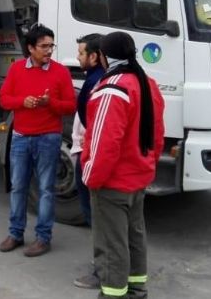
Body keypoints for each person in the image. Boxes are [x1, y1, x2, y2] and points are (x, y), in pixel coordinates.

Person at [76, 31, 165, 299]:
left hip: (112, 183)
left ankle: (113, 293)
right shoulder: (147, 83)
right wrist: (147, 165)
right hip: (137, 179)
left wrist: (91, 177)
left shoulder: (111, 89)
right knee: (134, 236)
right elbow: (156, 135)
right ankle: (137, 288)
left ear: (104, 56)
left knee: (111, 244)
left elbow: (104, 142)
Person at [0, 24, 76, 257]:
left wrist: (48, 103)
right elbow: (4, 99)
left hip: (49, 138)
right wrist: (24, 102)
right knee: (18, 186)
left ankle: (43, 238)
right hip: (21, 137)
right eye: (44, 46)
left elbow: (71, 106)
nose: (49, 50)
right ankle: (15, 234)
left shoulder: (61, 72)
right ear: (31, 48)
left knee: (46, 189)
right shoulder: (17, 69)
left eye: (51, 45)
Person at [71, 33, 105, 227]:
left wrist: (89, 137)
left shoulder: (96, 82)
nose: (77, 57)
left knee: (92, 207)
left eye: (81, 53)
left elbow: (92, 116)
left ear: (93, 57)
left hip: (90, 150)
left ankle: (102, 255)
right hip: (90, 145)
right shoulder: (98, 78)